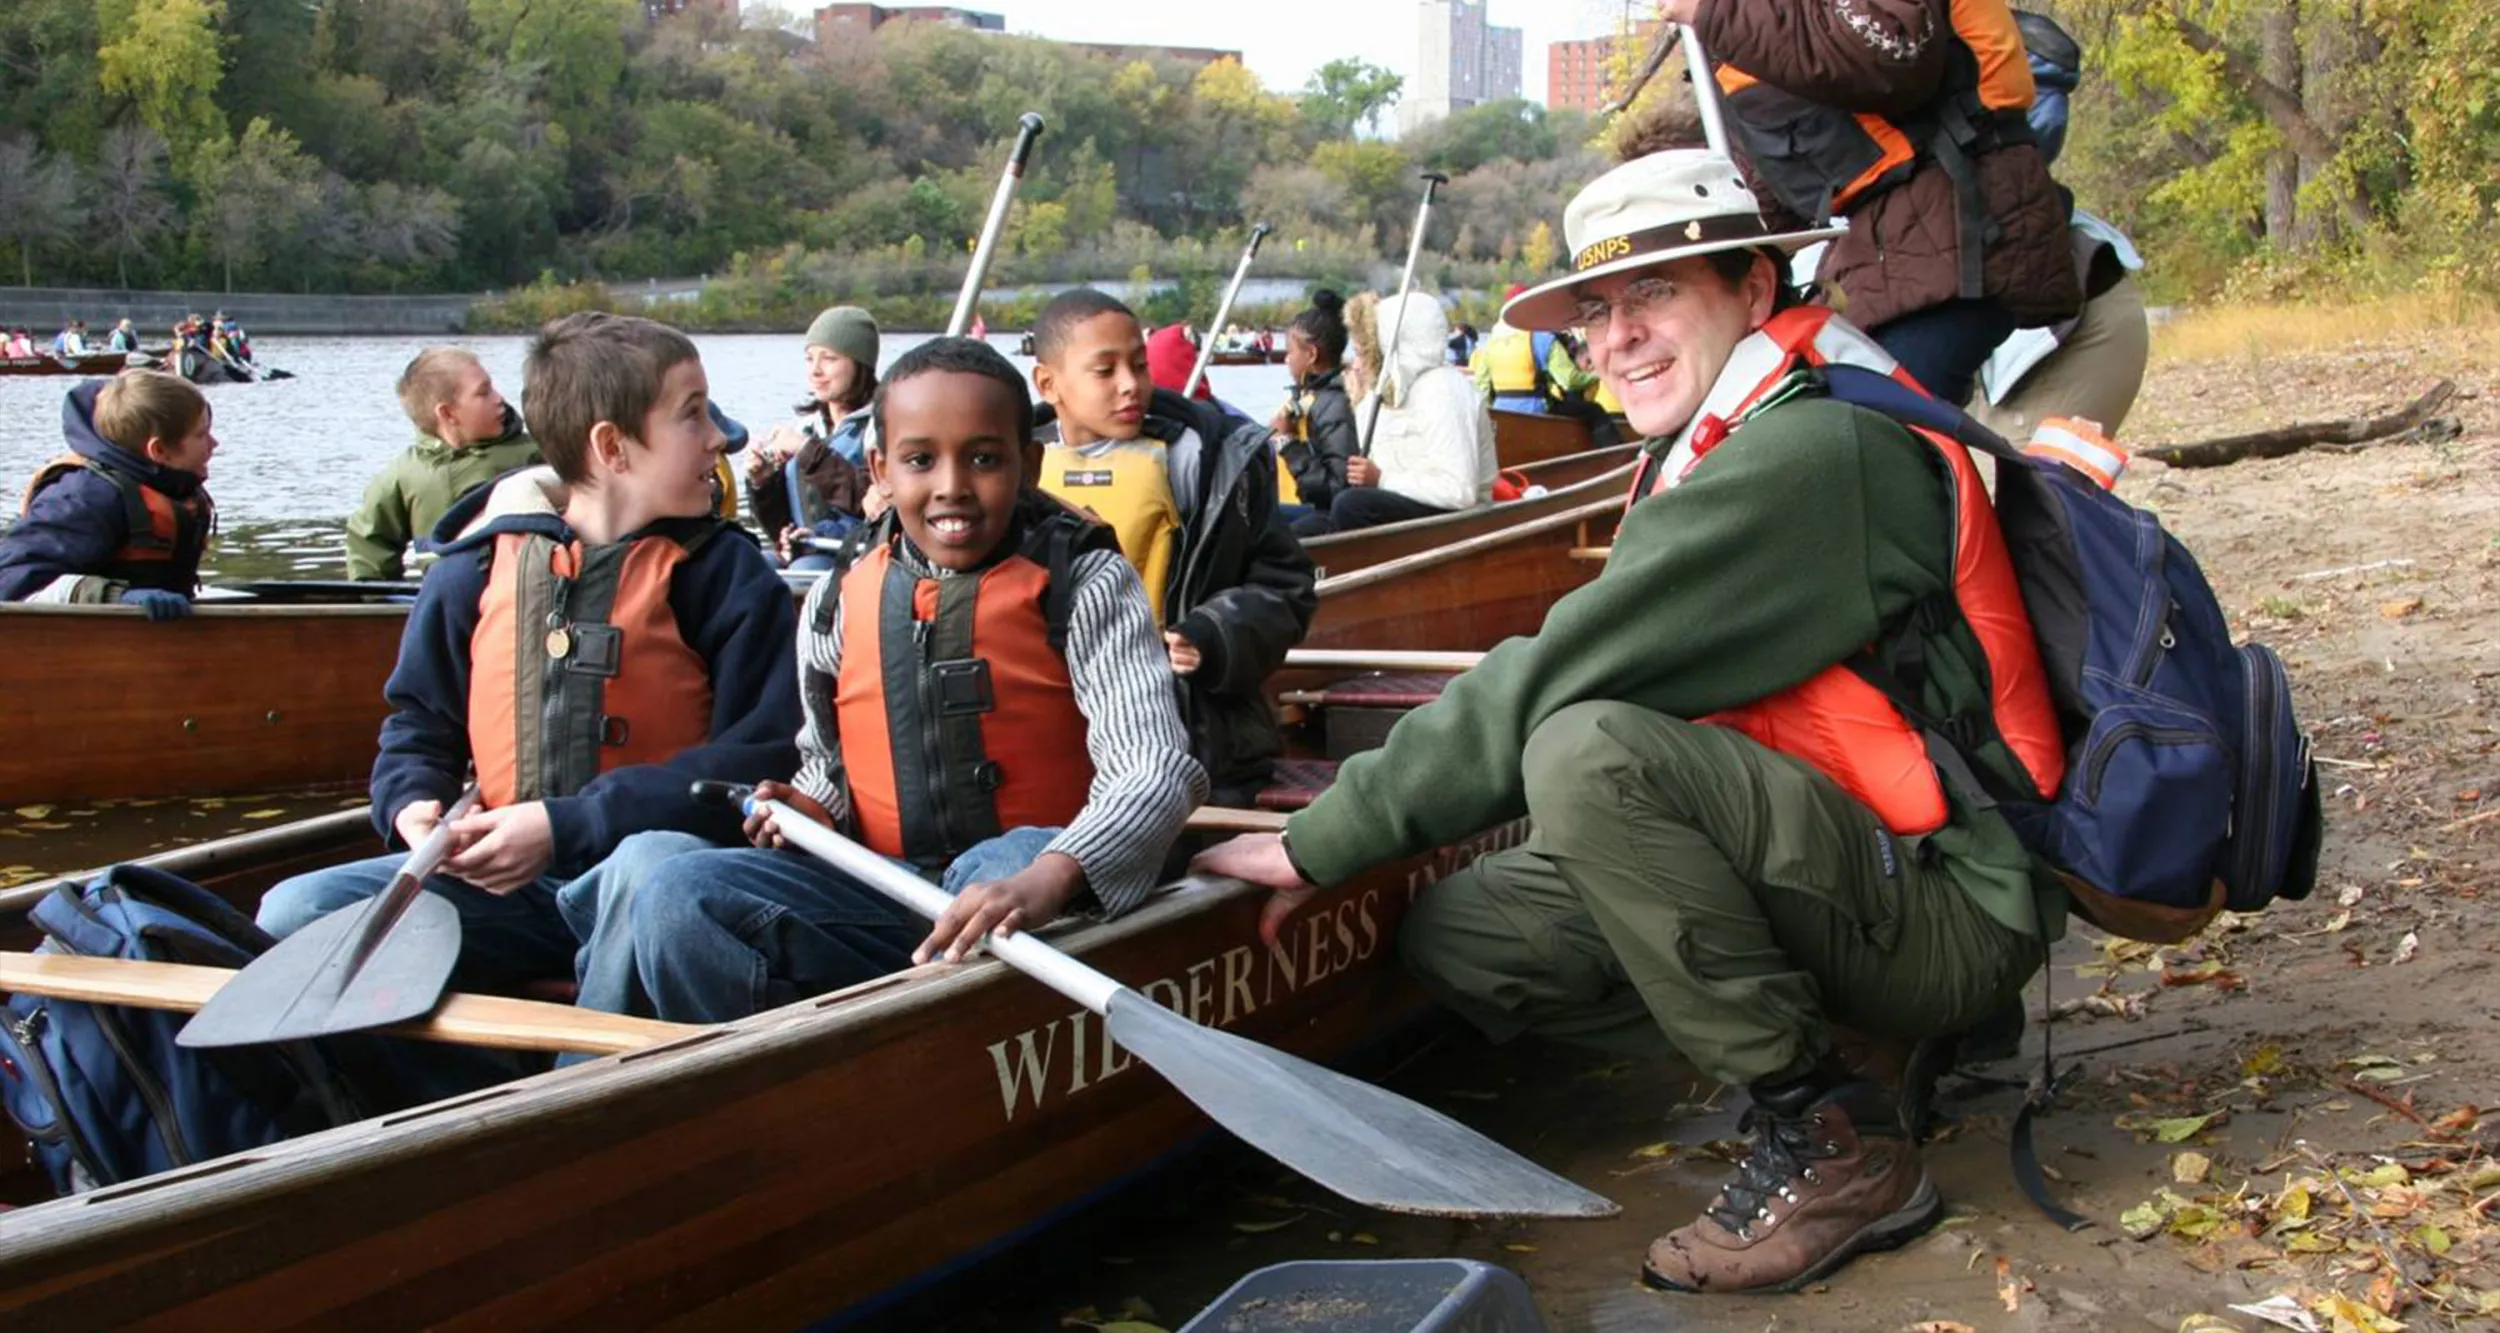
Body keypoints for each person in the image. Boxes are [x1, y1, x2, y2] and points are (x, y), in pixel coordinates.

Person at [1194, 148, 2064, 1296]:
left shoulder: (1811, 451)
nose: (1615, 340)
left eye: (1655, 293)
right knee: (1474, 935)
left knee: (1584, 751)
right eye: (1595, 311)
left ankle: (1831, 1135)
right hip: (1855, 856)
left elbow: (1561, 673)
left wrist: (1324, 836)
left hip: (1950, 894)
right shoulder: (1718, 435)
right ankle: (1855, 1034)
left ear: (1756, 290)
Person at [560, 338, 1207, 1024]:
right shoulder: (841, 594)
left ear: (1029, 465)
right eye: (921, 460)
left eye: (985, 459)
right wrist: (810, 809)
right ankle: (764, 1082)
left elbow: (1154, 769)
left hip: (1038, 892)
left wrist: (1051, 872)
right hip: (889, 895)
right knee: (675, 890)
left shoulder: (1085, 581)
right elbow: (826, 766)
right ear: (882, 469)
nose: (952, 484)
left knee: (995, 861)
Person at [253, 313, 802, 1074]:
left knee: (650, 866)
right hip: (511, 891)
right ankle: (439, 1101)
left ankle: (572, 1104)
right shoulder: (472, 569)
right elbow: (419, 723)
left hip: (664, 887)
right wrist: (410, 804)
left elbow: (767, 751)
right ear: (612, 448)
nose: (721, 438)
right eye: (693, 414)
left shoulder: (726, 575)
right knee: (293, 911)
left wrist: (564, 823)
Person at [1666, 0, 2081, 405]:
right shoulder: (1754, 27)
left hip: (1966, 223)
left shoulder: (1737, 15)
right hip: (1883, 253)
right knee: (1803, 407)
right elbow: (1772, 194)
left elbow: (1894, 49)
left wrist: (1716, 11)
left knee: (1873, 431)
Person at [1027, 289, 1317, 805]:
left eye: (1139, 365)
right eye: (1105, 370)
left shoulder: (1204, 461)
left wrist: (1214, 632)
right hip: (1054, 730)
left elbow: (1286, 587)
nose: (1130, 386)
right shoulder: (1010, 469)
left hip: (1190, 732)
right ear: (1048, 383)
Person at [0, 372, 217, 619]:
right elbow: (11, 582)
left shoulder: (168, 484)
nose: (214, 443)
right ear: (158, 450)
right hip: (81, 645)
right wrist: (116, 598)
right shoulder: (85, 496)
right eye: (201, 434)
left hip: (152, 642)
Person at [1295, 292, 1495, 536]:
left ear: (1390, 345)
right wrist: (1361, 403)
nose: (1355, 365)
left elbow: (1459, 491)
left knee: (1351, 505)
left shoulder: (1443, 388)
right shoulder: (1391, 392)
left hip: (1457, 520)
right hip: (1407, 505)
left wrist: (1381, 479)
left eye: (1362, 353)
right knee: (1295, 530)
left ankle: (1355, 570)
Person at [344, 348, 543, 582]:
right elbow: (369, 543)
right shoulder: (404, 474)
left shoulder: (534, 456)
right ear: (448, 413)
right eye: (484, 392)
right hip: (444, 595)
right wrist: (377, 600)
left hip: (519, 589)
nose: (499, 398)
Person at [747, 305, 879, 568]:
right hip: (807, 552)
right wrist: (763, 484)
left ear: (859, 364)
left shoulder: (881, 426)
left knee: (803, 570)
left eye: (829, 359)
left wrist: (806, 449)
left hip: (858, 556)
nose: (815, 371)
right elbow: (778, 528)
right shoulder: (807, 427)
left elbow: (869, 502)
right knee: (751, 566)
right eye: (809, 359)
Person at [1269, 289, 1359, 514]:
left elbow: (1337, 488)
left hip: (1318, 516)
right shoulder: (1311, 397)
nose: (1286, 358)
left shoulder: (1336, 404)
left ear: (1311, 354)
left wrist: (1288, 444)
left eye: (1290, 351)